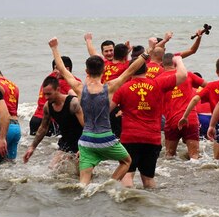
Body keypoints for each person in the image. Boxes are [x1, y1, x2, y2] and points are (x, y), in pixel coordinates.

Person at [49, 37, 149, 185]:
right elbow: (130, 70)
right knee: (127, 161)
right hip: (106, 139)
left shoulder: (79, 88)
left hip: (86, 141)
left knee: (83, 183)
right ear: (104, 70)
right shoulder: (109, 88)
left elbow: (62, 69)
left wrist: (54, 48)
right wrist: (147, 53)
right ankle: (109, 185)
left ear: (86, 71)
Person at [112, 53, 187, 188]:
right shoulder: (158, 84)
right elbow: (182, 76)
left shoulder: (122, 88)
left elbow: (106, 111)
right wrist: (179, 60)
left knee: (128, 174)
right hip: (152, 139)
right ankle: (150, 207)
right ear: (146, 70)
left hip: (130, 138)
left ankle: (127, 206)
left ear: (130, 71)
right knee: (148, 178)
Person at [181, 57, 219, 161]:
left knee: (218, 160)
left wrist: (185, 116)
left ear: (216, 71)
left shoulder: (211, 86)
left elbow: (194, 99)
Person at [23, 76, 84, 170]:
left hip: (82, 142)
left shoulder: (73, 103)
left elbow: (87, 126)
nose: (46, 97)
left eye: (49, 94)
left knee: (81, 174)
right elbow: (43, 128)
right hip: (66, 143)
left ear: (58, 90)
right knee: (52, 169)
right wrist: (32, 147)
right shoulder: (48, 107)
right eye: (44, 94)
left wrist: (84, 147)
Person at [161, 53, 206, 160]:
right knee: (194, 157)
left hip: (172, 121)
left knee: (169, 156)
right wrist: (197, 98)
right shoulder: (188, 75)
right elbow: (208, 87)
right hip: (190, 119)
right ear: (176, 64)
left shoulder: (159, 80)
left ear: (162, 64)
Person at [28, 57, 78, 136]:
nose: (55, 71)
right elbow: (76, 97)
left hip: (35, 119)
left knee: (39, 147)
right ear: (67, 69)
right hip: (49, 122)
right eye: (55, 68)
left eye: (57, 68)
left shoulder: (49, 79)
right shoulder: (66, 81)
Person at [0, 66, 21, 160]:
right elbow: (15, 108)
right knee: (11, 162)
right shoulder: (14, 86)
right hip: (16, 127)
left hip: (5, 127)